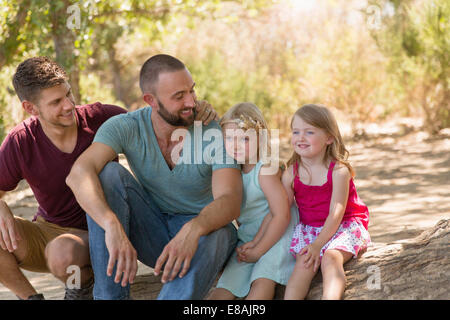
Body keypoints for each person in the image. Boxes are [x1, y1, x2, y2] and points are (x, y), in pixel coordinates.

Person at [65, 54, 242, 300]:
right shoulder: (125, 126)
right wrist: (111, 224)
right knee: (108, 174)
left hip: (202, 237)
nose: (191, 101)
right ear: (151, 100)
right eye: (179, 96)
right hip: (152, 231)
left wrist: (194, 228)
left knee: (221, 231)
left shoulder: (210, 130)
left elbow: (230, 200)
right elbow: (78, 174)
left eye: (192, 91)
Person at [0, 57, 127, 300]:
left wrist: (198, 113)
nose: (69, 105)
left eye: (68, 94)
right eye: (56, 102)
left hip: (106, 228)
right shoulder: (20, 142)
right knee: (57, 249)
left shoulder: (101, 118)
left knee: (62, 252)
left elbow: (154, 124)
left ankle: (82, 286)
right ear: (31, 108)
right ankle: (31, 298)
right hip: (51, 231)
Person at [208, 102, 297, 300]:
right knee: (224, 288)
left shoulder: (264, 170)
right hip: (250, 236)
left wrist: (259, 250)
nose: (236, 144)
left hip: (279, 232)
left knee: (262, 280)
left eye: (245, 139)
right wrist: (252, 246)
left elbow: (281, 215)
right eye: (229, 138)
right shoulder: (230, 172)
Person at [282, 104, 371, 300]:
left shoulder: (339, 171)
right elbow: (282, 210)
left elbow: (336, 213)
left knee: (331, 258)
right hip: (311, 229)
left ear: (329, 138)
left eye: (309, 132)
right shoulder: (291, 173)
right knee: (303, 264)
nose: (300, 137)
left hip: (344, 225)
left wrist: (317, 245)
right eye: (295, 131)